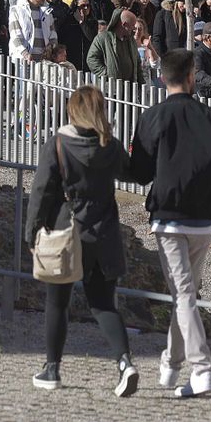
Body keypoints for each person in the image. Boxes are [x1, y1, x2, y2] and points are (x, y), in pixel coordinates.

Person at [127, 50, 211, 399]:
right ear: (192, 77)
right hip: (204, 220)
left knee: (184, 294)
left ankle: (201, 369)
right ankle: (171, 364)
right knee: (185, 294)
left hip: (170, 218)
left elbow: (139, 172)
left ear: (162, 78)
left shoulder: (152, 117)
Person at [24, 86, 139, 397]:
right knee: (103, 304)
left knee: (57, 302)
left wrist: (32, 232)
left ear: (72, 110)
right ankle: (125, 362)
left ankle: (52, 369)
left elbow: (41, 192)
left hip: (66, 230)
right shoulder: (110, 146)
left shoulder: (58, 145)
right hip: (104, 232)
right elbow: (134, 173)